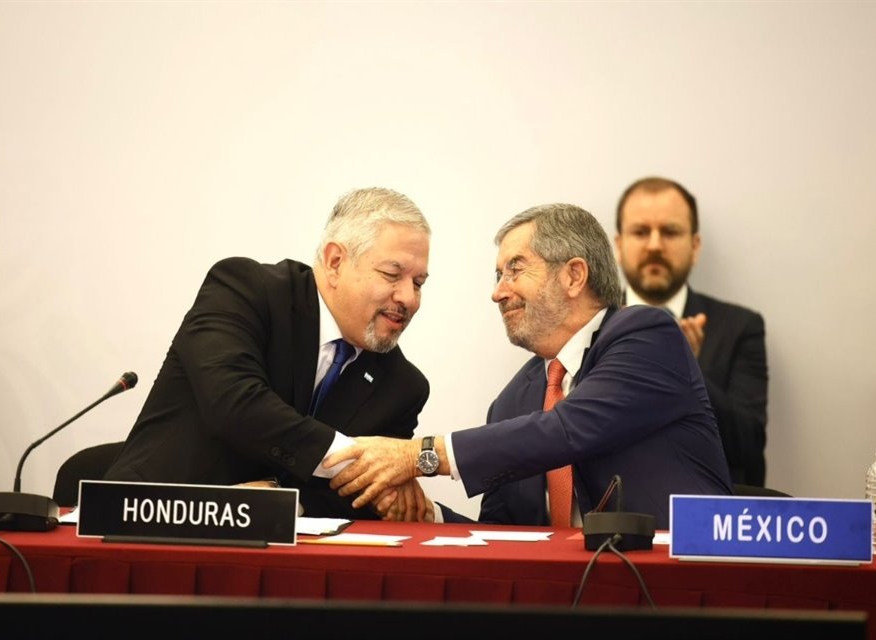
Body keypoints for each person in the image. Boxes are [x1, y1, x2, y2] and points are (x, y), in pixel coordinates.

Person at [325, 203, 732, 530]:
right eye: (498, 274)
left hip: (674, 596)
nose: (498, 292)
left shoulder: (646, 336)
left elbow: (568, 429)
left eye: (514, 269)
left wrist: (419, 454)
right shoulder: (512, 403)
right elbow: (502, 534)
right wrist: (426, 515)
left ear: (574, 275)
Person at [104, 187, 431, 520]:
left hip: (291, 560)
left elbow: (357, 499)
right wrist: (367, 460)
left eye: (418, 283)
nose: (410, 298)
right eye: (392, 275)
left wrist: (279, 504)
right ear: (335, 262)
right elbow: (235, 403)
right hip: (149, 523)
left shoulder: (402, 387)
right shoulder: (245, 291)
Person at [614, 176, 768, 487]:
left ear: (695, 246)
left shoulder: (739, 327)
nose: (655, 245)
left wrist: (688, 372)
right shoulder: (592, 324)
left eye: (670, 232)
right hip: (613, 513)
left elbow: (749, 448)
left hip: (706, 515)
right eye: (641, 232)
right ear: (618, 246)